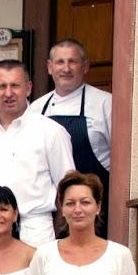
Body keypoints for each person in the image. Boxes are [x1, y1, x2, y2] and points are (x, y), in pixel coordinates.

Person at [0, 60, 74, 245]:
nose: (8, 93)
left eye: (15, 85)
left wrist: (55, 233)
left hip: (35, 233)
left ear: (28, 88)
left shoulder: (51, 132)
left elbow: (68, 190)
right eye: (1, 86)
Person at [29, 39, 113, 237]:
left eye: (72, 62)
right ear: (50, 67)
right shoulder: (36, 109)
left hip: (94, 210)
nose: (66, 69)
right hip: (50, 213)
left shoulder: (105, 103)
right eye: (60, 62)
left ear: (85, 67)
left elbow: (122, 161)